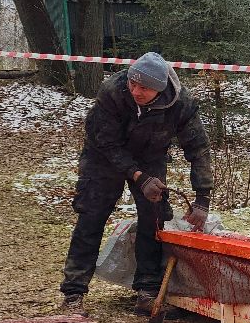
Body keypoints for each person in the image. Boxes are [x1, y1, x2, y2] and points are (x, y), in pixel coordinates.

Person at [59, 51, 213, 308]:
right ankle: (74, 292)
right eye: (133, 83)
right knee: (91, 215)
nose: (136, 91)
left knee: (154, 218)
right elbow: (106, 142)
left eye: (144, 87)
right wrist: (138, 177)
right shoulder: (112, 91)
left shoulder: (181, 105)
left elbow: (199, 150)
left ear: (160, 89)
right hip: (103, 156)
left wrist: (202, 199)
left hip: (150, 156)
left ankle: (148, 290)